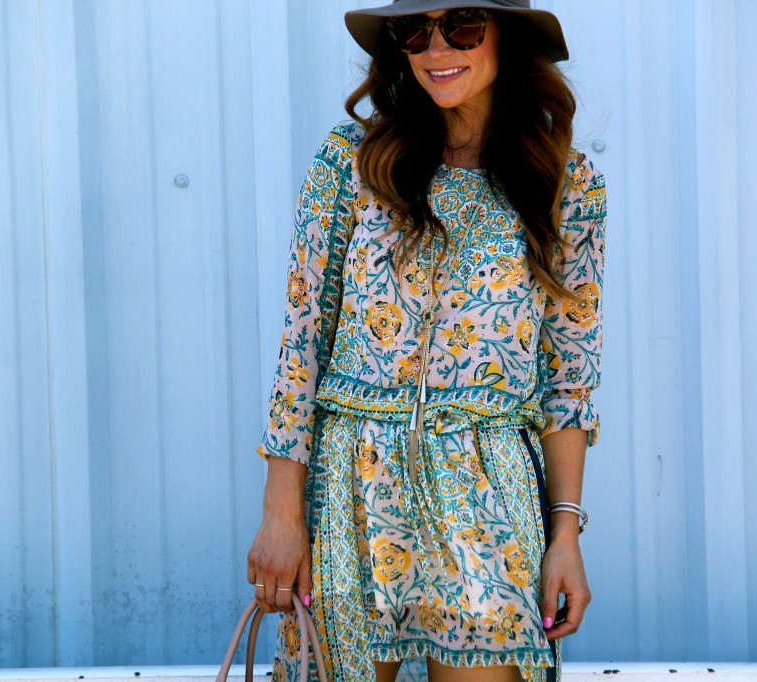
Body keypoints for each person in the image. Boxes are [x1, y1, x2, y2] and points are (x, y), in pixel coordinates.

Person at [247, 1, 606, 680]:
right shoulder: (349, 163)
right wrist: (281, 516)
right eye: (416, 29)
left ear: (508, 35)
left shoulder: (567, 182)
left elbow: (570, 377)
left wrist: (566, 535)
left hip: (488, 495)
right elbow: (303, 342)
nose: (437, 45)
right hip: (351, 484)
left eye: (463, 24)